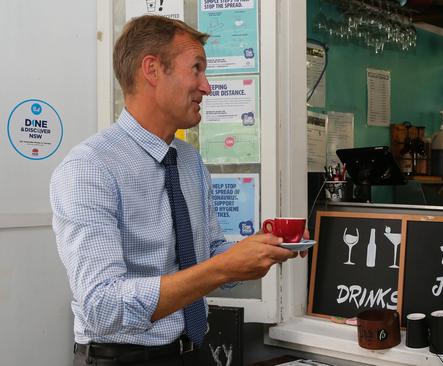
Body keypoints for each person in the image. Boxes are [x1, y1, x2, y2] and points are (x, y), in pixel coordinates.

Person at [50, 15, 304, 366]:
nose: (207, 87)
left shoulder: (188, 160)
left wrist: (253, 252)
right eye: (196, 69)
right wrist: (223, 267)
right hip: (123, 359)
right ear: (152, 70)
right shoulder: (90, 168)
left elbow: (207, 254)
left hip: (191, 351)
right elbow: (101, 306)